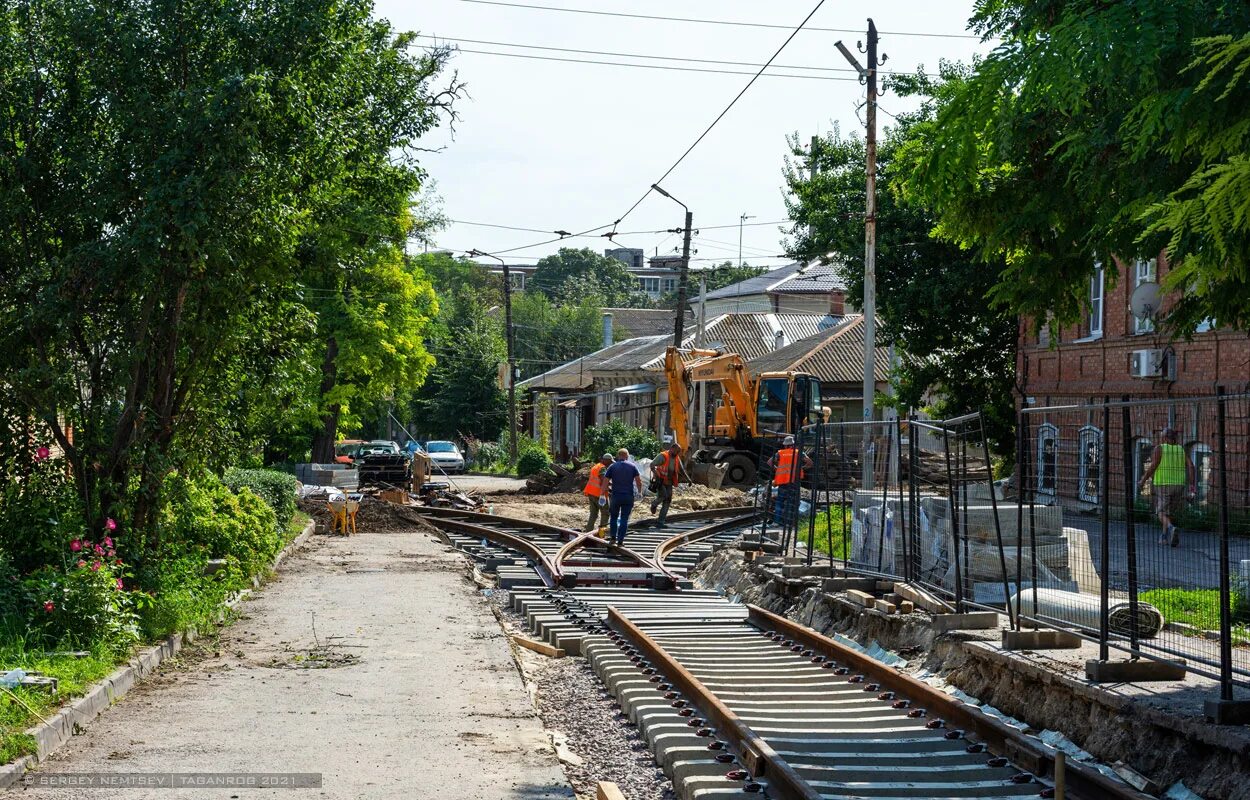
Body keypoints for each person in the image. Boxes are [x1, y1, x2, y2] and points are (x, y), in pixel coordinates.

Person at [1139, 427, 1195, 547]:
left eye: (1161, 436)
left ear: (1164, 438)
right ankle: (1164, 537)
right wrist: (1192, 487)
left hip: (1163, 484)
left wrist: (1143, 480)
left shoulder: (1159, 448)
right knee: (1168, 512)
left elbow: (1153, 466)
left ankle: (1170, 528)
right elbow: (1191, 466)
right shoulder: (1181, 449)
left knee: (1160, 512)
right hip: (1179, 485)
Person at [767, 435, 813, 527]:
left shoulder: (780, 453)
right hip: (794, 481)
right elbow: (810, 463)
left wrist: (777, 469)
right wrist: (801, 468)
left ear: (785, 445)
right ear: (793, 445)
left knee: (779, 501)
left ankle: (777, 522)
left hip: (783, 481)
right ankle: (789, 523)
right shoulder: (799, 452)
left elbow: (769, 462)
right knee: (792, 502)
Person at [600, 448, 643, 547]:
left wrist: (602, 494)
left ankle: (612, 538)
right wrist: (640, 492)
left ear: (618, 456)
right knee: (624, 519)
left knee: (614, 517)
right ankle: (620, 541)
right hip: (628, 496)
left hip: (615, 496)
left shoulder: (612, 466)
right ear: (627, 456)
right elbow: (638, 481)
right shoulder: (632, 466)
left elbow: (605, 481)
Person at [649, 443, 683, 526]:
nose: (677, 453)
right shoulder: (663, 456)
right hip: (660, 481)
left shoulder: (676, 458)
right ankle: (654, 504)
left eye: (679, 451)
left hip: (669, 483)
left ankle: (661, 522)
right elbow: (652, 464)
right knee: (663, 496)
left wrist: (688, 479)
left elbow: (681, 469)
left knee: (667, 501)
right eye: (676, 451)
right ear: (672, 449)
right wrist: (656, 475)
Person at [582, 453, 614, 532]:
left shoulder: (596, 466)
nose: (610, 464)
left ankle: (588, 531)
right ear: (606, 460)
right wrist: (611, 486)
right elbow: (603, 480)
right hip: (600, 494)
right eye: (610, 462)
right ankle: (601, 534)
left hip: (591, 492)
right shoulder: (603, 468)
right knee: (605, 514)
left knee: (593, 514)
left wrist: (610, 484)